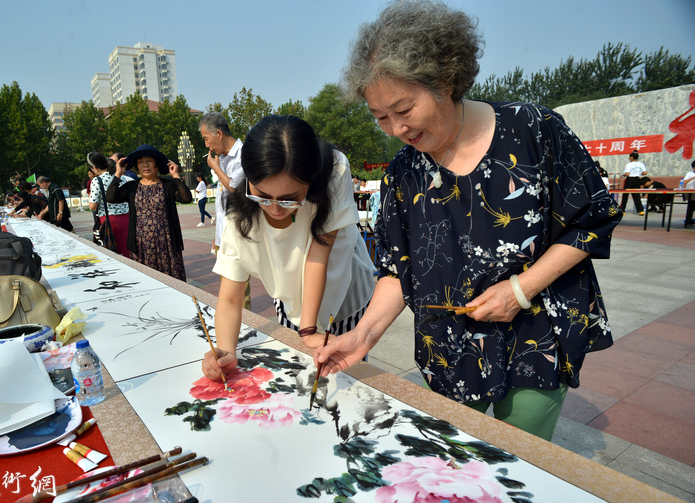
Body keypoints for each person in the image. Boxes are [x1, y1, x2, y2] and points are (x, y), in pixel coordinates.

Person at [313, 0, 622, 441]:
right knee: (459, 465)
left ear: (445, 80)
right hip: (450, 347)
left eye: (404, 109)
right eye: (380, 117)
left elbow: (592, 218)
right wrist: (362, 336)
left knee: (521, 461)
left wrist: (518, 290)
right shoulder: (403, 172)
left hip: (535, 332)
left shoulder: (534, 131)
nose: (397, 129)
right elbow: (398, 269)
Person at [201, 115, 376, 381]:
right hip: (291, 303)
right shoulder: (239, 216)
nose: (273, 209)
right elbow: (230, 296)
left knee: (345, 387)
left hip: (343, 295)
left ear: (311, 182)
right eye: (262, 195)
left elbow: (319, 253)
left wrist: (308, 330)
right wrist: (225, 350)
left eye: (289, 199)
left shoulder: (333, 170)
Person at [107, 144, 192, 280]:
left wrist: (175, 175)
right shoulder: (132, 186)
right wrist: (118, 173)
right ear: (137, 167)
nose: (145, 165)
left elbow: (187, 198)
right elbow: (111, 197)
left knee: (171, 281)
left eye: (149, 161)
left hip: (167, 244)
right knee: (147, 281)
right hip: (141, 245)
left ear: (157, 165)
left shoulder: (167, 185)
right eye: (141, 162)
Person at [200, 111, 252, 310]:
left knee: (240, 296)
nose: (207, 146)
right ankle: (234, 332)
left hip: (239, 235)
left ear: (219, 134)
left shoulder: (245, 154)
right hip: (224, 237)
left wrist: (215, 168)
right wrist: (218, 235)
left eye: (207, 139)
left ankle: (246, 333)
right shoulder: (222, 158)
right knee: (228, 294)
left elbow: (233, 186)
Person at [87, 152, 131, 257]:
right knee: (126, 251)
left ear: (94, 168)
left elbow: (93, 206)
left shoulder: (97, 180)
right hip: (126, 218)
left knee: (112, 254)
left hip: (109, 220)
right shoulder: (122, 178)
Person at [620, 150, 648, 215]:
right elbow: (645, 173)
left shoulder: (629, 164)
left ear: (632, 157)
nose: (629, 158)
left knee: (625, 195)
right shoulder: (641, 164)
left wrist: (623, 175)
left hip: (630, 179)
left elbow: (627, 173)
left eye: (629, 157)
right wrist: (639, 173)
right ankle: (640, 210)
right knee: (636, 195)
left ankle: (623, 210)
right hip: (637, 179)